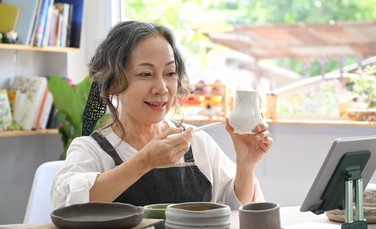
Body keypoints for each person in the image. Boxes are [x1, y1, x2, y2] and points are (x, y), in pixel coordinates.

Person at [52, 21, 273, 210]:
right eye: (146, 74)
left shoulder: (197, 144)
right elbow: (67, 208)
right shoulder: (92, 151)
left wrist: (245, 165)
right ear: (113, 83)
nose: (162, 88)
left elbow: (234, 211)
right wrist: (145, 161)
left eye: (170, 73)